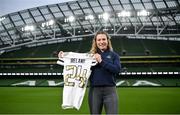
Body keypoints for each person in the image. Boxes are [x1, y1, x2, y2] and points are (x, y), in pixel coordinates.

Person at [88, 31, 121, 114]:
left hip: (110, 91)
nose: (101, 42)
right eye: (99, 40)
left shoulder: (114, 55)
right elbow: (77, 60)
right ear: (95, 42)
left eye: (103, 39)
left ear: (107, 41)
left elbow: (117, 70)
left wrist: (101, 61)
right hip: (94, 91)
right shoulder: (90, 56)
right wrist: (65, 56)